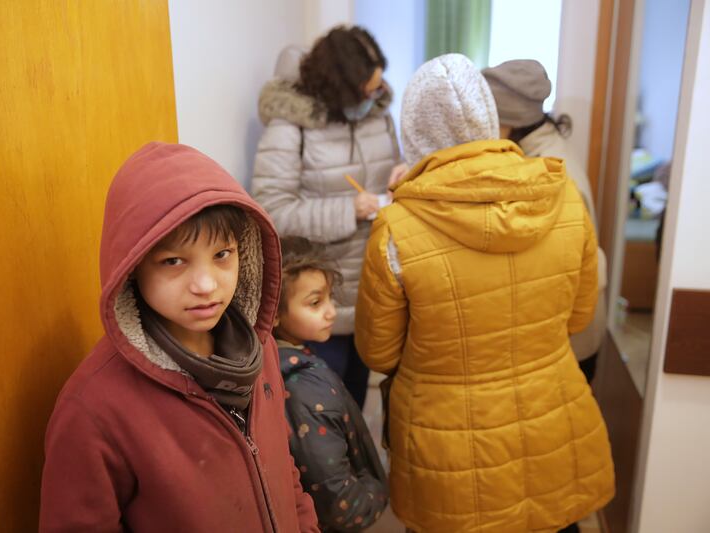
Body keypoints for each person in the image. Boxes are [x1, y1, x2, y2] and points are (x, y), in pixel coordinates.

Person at [355, 54, 615, 533]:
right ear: (490, 118)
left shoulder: (397, 230)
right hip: (550, 418)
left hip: (448, 441)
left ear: (413, 130)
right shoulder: (563, 198)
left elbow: (379, 351)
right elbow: (577, 319)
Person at [39, 143, 319, 532]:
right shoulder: (93, 409)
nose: (206, 285)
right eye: (174, 261)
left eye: (222, 254)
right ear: (133, 268)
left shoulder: (259, 348)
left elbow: (283, 471)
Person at [252, 26, 404, 408]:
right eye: (366, 90)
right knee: (322, 408)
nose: (376, 94)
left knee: (355, 401)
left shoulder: (378, 114)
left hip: (372, 283)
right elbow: (272, 210)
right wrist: (347, 210)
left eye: (378, 85)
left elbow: (392, 165)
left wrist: (406, 177)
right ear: (340, 87)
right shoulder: (290, 127)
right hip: (321, 296)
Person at [482, 59, 608, 382]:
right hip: (565, 332)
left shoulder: (548, 170)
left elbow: (572, 265)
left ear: (508, 120)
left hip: (570, 339)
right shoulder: (539, 149)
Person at [274, 236, 388, 531]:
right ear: (273, 313)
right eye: (315, 303)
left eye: (329, 298)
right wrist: (376, 493)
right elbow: (339, 502)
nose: (331, 312)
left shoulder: (284, 361)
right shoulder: (303, 389)